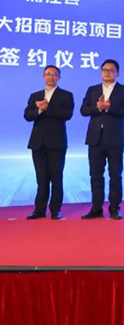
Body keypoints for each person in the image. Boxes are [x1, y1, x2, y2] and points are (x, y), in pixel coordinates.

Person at [80, 59, 124, 220]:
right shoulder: (93, 89)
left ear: (118, 73)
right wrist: (97, 107)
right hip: (95, 138)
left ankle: (114, 207)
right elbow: (84, 110)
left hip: (115, 138)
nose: (107, 72)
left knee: (115, 175)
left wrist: (110, 107)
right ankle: (96, 207)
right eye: (104, 70)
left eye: (111, 70)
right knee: (95, 174)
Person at [23, 65, 74, 220]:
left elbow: (67, 114)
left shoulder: (66, 95)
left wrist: (47, 108)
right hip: (38, 143)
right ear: (43, 76)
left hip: (57, 142)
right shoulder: (35, 95)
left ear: (59, 77)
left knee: (56, 178)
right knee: (41, 178)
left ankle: (55, 210)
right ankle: (39, 210)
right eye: (48, 74)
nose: (51, 77)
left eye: (54, 74)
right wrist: (39, 110)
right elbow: (27, 115)